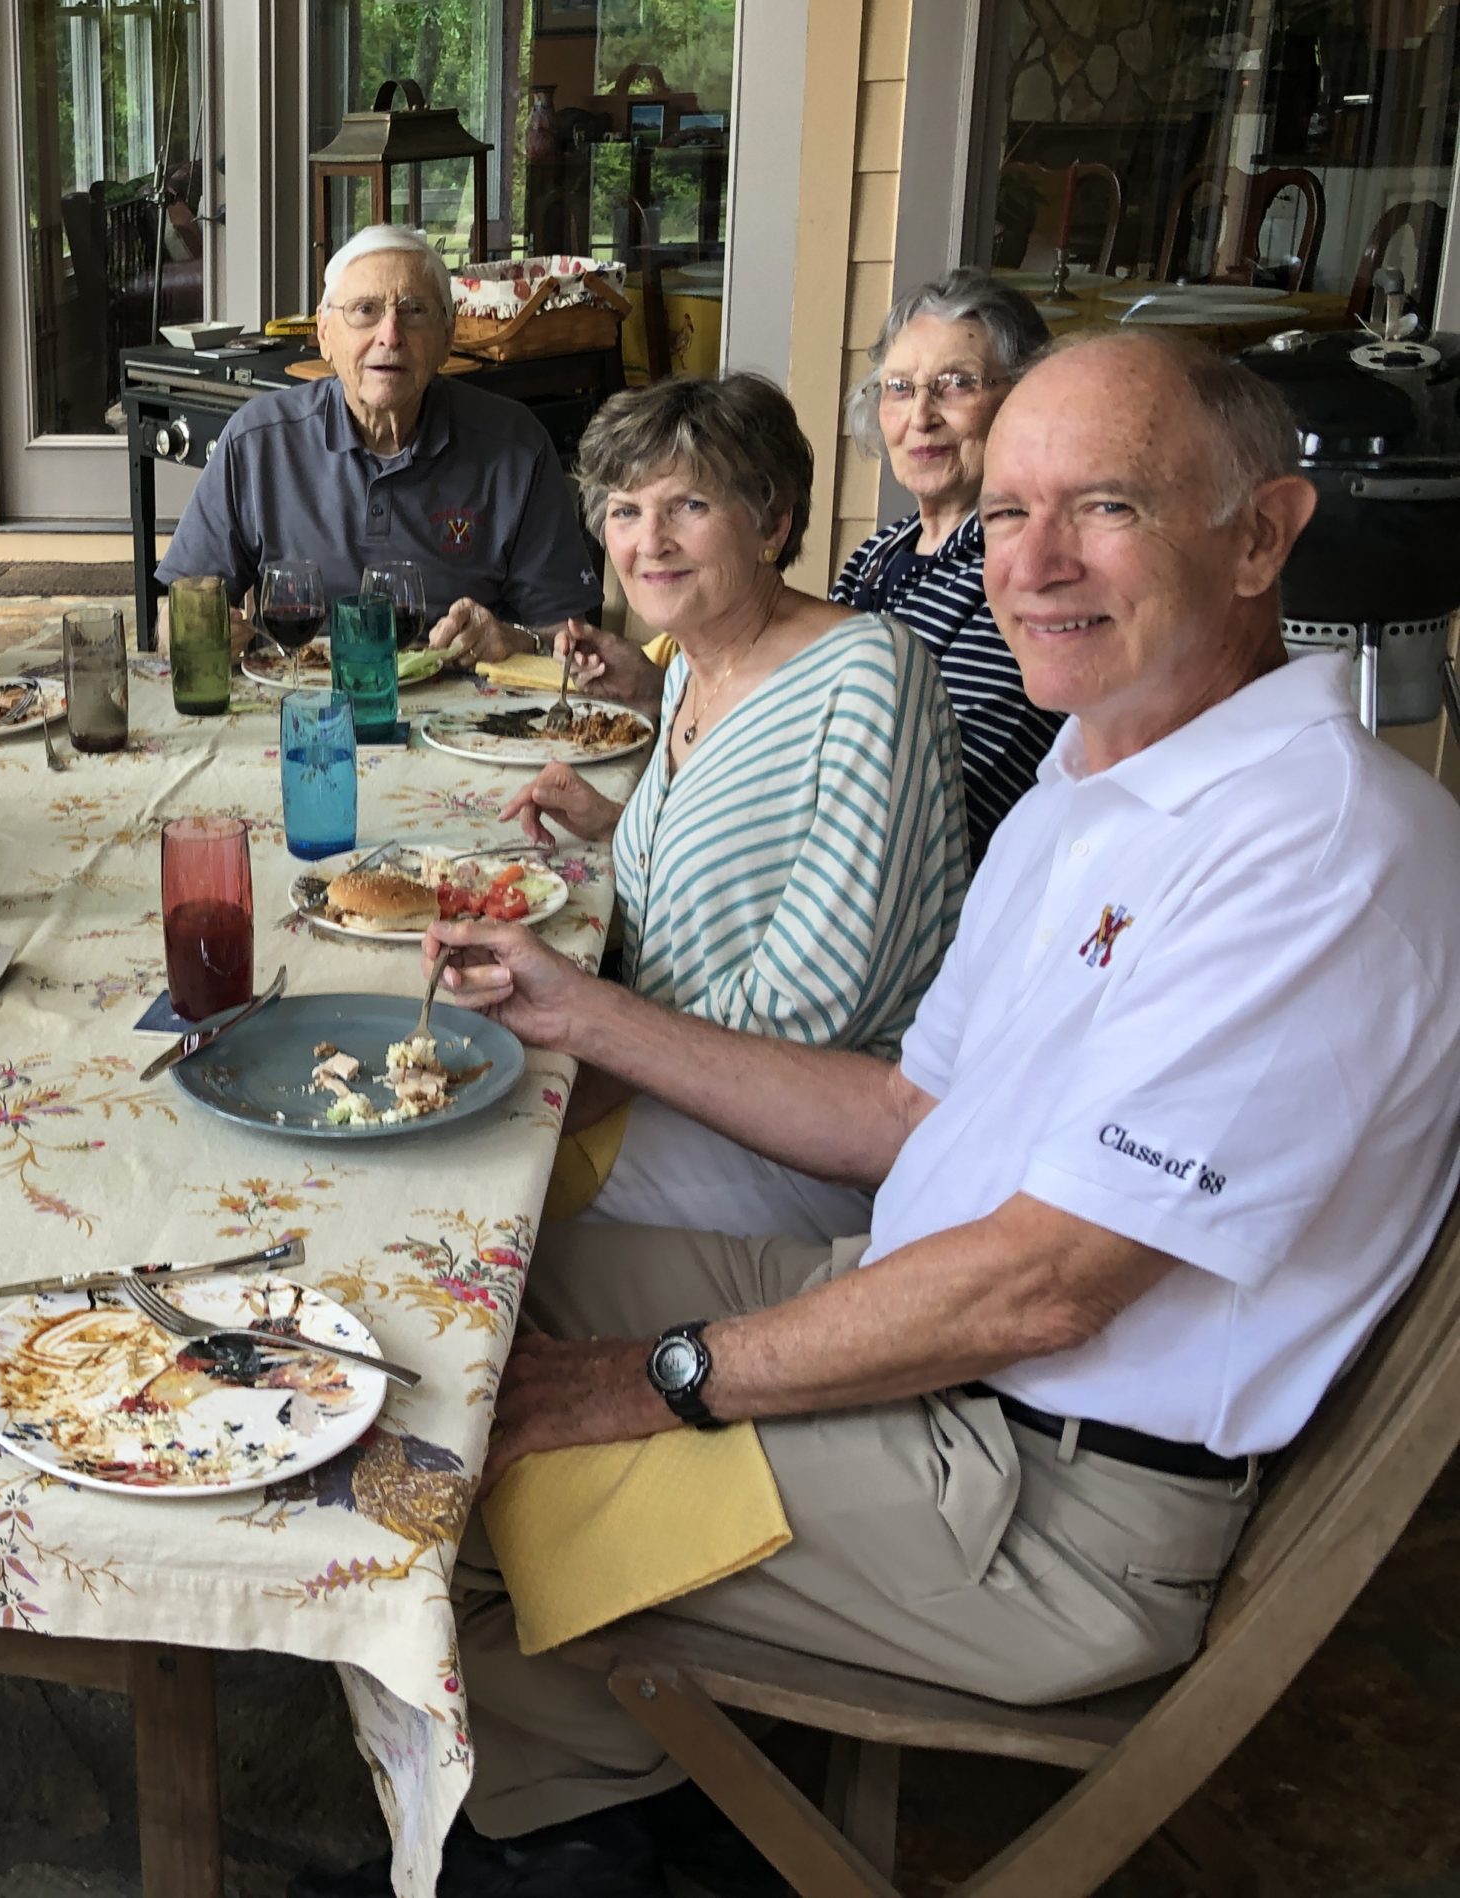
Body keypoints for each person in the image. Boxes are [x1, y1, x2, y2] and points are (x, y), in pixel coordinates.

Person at [412, 331, 1460, 1897]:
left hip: (1043, 1494)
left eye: (1105, 507)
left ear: (1262, 534)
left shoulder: (1315, 852)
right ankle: (621, 1782)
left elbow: (1049, 1281)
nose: (1030, 563)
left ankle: (591, 1836)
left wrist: (667, 1375)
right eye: (1012, 508)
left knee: (482, 1452)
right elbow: (908, 1108)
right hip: (921, 1322)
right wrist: (578, 1011)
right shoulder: (1093, 780)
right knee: (453, 1318)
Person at [501, 372, 970, 1242]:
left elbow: (819, 994)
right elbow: (729, 858)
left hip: (797, 1141)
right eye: (626, 509)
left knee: (486, 1184)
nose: (650, 541)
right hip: (667, 1079)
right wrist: (615, 825)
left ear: (774, 524)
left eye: (688, 507)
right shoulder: (692, 661)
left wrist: (591, 1068)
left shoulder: (869, 675)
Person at [157, 223, 602, 661]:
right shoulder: (257, 442)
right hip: (296, 699)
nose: (390, 335)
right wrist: (199, 634)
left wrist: (516, 640)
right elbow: (172, 625)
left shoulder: (516, 445)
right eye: (366, 310)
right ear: (325, 335)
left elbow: (568, 636)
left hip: (462, 712)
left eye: (413, 311)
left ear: (448, 337)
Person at [828, 270, 1068, 857]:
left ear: (1025, 397)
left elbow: (951, 800)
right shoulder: (879, 553)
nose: (921, 416)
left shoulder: (1019, 572)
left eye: (957, 384)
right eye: (900, 387)